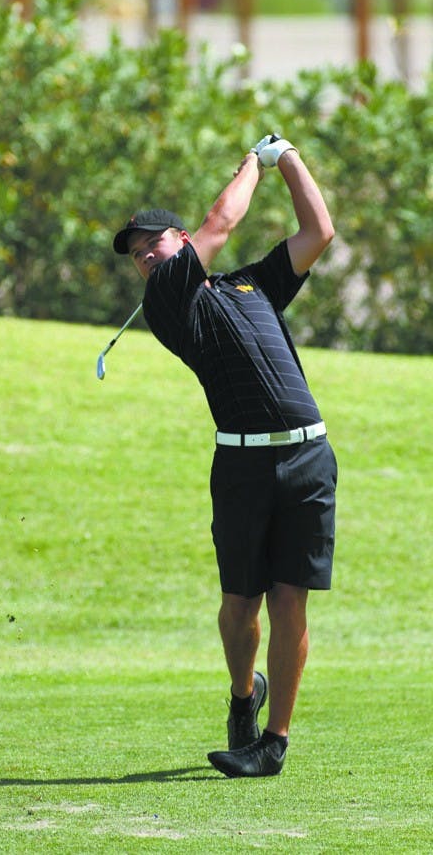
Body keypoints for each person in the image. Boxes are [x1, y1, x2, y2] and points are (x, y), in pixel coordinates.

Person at [112, 135, 338, 778]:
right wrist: (253, 160)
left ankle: (273, 742)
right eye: (136, 255)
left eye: (153, 242)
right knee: (242, 603)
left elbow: (318, 231)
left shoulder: (252, 286)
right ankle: (244, 695)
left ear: (178, 240)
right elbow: (224, 220)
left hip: (308, 459)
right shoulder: (167, 303)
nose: (145, 257)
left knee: (290, 599)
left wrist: (288, 158)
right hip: (241, 467)